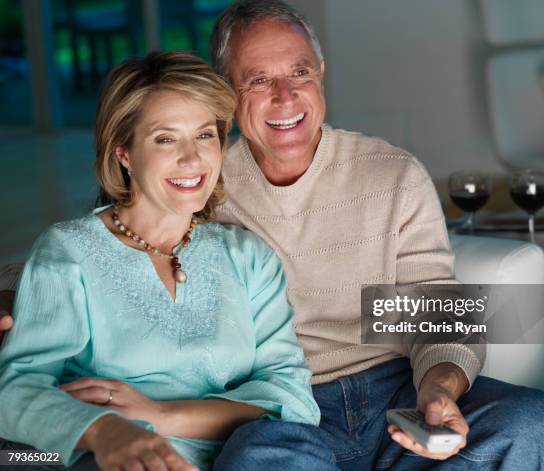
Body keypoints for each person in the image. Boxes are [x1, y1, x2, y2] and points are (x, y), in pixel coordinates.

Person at [0, 1, 544, 470]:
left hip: (396, 390)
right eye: (258, 80)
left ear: (321, 74)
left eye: (299, 72)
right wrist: (12, 303)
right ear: (225, 94)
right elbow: (105, 248)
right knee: (264, 457)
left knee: (535, 421)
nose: (285, 97)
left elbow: (432, 311)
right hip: (271, 415)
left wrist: (439, 389)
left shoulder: (388, 174)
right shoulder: (200, 179)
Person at [0, 51, 319, 471]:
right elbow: (17, 392)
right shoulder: (67, 253)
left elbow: (294, 399)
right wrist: (105, 430)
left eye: (205, 135)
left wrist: (161, 415)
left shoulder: (247, 256)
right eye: (165, 139)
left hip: (254, 458)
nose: (192, 159)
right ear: (124, 153)